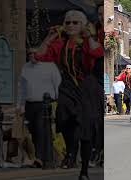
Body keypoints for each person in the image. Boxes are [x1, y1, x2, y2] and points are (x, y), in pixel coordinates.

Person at [34, 10, 103, 180]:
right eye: (68, 22)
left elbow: (97, 53)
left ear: (82, 25)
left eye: (75, 22)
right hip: (68, 86)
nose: (70, 25)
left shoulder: (87, 42)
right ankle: (71, 152)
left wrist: (88, 37)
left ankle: (84, 169)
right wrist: (49, 38)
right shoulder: (61, 43)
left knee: (85, 130)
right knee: (64, 117)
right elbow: (39, 56)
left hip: (87, 86)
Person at [17, 48, 62, 169]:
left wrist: (58, 103)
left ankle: (41, 157)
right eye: (29, 53)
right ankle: (38, 157)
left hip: (44, 104)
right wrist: (20, 105)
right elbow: (22, 87)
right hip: (29, 104)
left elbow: (58, 84)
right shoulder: (26, 67)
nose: (32, 55)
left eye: (34, 53)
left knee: (41, 130)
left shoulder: (50, 66)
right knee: (33, 132)